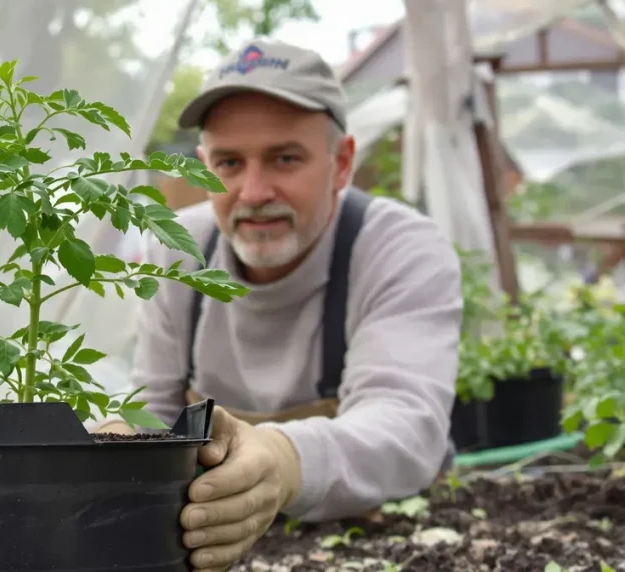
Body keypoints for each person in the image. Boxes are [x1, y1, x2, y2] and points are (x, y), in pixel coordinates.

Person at [94, 38, 463, 570]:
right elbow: (152, 407)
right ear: (201, 167)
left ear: (341, 164)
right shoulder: (177, 250)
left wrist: (283, 462)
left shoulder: (395, 248)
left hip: (384, 540)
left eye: (284, 158)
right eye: (228, 163)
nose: (253, 191)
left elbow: (406, 426)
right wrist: (114, 447)